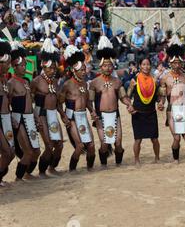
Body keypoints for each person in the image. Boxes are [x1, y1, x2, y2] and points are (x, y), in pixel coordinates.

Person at [89, 36, 135, 167]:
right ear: (101, 66)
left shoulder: (117, 82)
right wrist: (92, 112)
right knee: (104, 144)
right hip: (101, 116)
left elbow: (123, 97)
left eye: (110, 65)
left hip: (115, 115)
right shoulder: (94, 83)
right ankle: (104, 165)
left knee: (118, 143)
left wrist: (129, 104)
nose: (108, 68)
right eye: (105, 65)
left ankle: (118, 164)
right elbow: (90, 100)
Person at [159, 35, 185, 163]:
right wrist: (160, 103)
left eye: (179, 63)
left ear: (182, 63)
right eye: (174, 63)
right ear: (170, 63)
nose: (177, 65)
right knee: (176, 138)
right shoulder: (165, 78)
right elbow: (163, 95)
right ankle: (176, 158)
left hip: (184, 109)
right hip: (172, 110)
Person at [58, 45, 96, 172]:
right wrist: (64, 117)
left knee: (91, 146)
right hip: (72, 117)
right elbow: (59, 103)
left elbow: (87, 102)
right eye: (82, 70)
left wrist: (92, 111)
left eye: (85, 69)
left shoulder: (85, 84)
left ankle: (90, 170)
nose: (84, 72)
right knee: (79, 146)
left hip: (83, 116)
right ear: (75, 70)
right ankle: (72, 170)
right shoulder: (67, 85)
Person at [31, 39, 65, 178]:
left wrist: (63, 115)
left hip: (53, 115)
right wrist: (35, 118)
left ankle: (52, 167)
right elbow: (30, 101)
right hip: (42, 114)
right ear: (43, 67)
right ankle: (41, 171)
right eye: (49, 68)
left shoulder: (56, 82)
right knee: (49, 144)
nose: (52, 70)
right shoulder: (37, 81)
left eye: (53, 68)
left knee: (59, 145)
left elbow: (57, 103)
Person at [8, 42, 41, 181]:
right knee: (27, 151)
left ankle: (28, 173)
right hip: (19, 118)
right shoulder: (11, 83)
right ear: (14, 67)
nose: (23, 67)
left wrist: (36, 116)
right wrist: (11, 118)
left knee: (37, 151)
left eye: (23, 65)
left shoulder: (26, 82)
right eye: (20, 65)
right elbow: (5, 104)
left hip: (29, 118)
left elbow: (30, 103)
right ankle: (18, 178)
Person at [127, 58, 161, 165]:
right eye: (143, 64)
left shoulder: (155, 81)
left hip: (151, 113)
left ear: (150, 66)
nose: (146, 67)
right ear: (140, 66)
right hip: (138, 113)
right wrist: (129, 106)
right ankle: (137, 160)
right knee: (138, 139)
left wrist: (160, 103)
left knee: (154, 139)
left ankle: (157, 158)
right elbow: (127, 96)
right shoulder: (134, 80)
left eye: (148, 64)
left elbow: (159, 96)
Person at [0, 40, 15, 186]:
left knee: (10, 153)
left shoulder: (5, 79)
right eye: (6, 62)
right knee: (7, 152)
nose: (9, 65)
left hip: (5, 119)